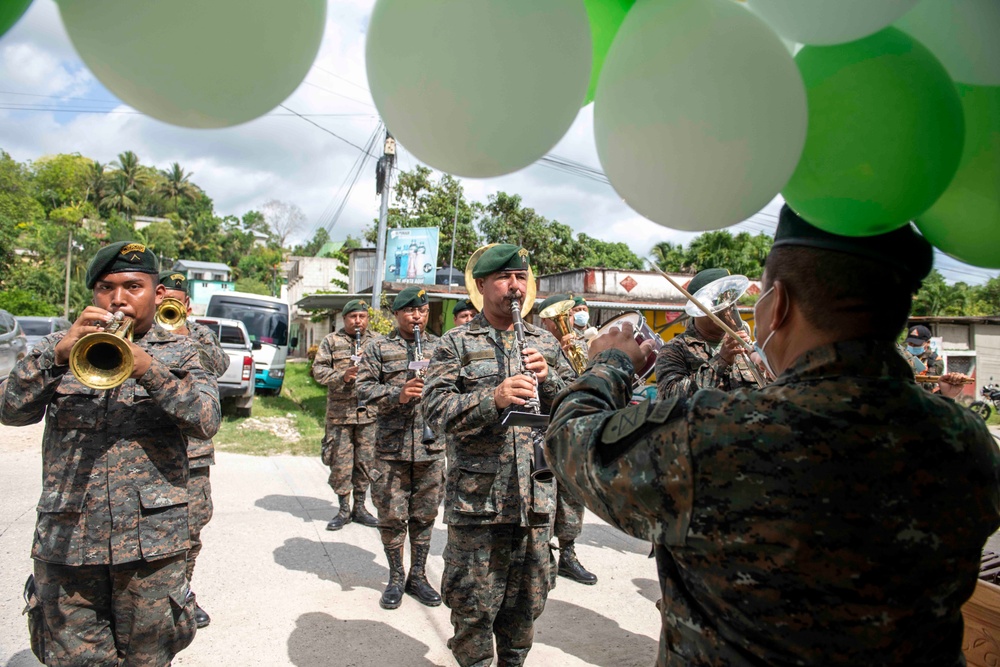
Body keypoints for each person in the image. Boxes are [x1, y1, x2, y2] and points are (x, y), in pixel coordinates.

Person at [546, 206, 1000, 666]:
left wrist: (611, 363)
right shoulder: (966, 440)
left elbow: (570, 441)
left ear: (778, 303)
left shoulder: (714, 436)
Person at [1, 241, 221, 666]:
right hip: (68, 543)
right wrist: (56, 357)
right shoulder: (57, 347)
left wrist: (149, 369)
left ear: (158, 295)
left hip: (150, 549)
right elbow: (10, 410)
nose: (118, 299)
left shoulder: (184, 351)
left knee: (149, 659)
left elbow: (205, 419)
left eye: (132, 286)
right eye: (106, 288)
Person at [423, 244, 576, 667]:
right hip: (479, 505)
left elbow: (575, 412)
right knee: (472, 609)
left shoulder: (545, 341)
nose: (515, 286)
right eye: (505, 278)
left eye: (521, 278)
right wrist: (492, 398)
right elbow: (434, 411)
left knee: (526, 607)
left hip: (536, 502)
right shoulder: (455, 343)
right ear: (482, 285)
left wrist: (551, 381)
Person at [356, 287, 444, 610]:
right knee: (392, 515)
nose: (417, 316)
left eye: (422, 310)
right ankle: (396, 576)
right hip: (391, 449)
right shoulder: (379, 347)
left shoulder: (440, 347)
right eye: (409, 311)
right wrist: (399, 394)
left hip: (431, 447)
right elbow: (362, 391)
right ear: (397, 314)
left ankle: (418, 576)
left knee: (425, 514)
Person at [159, 270, 230, 629]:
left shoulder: (199, 332)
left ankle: (181, 592)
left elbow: (219, 366)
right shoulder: (131, 332)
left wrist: (184, 335)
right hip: (150, 447)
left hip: (193, 450)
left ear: (186, 304)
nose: (167, 304)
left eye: (175, 299)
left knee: (191, 527)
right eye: (162, 296)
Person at [535, 293, 597, 585]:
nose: (570, 320)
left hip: (571, 431)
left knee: (572, 496)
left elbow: (585, 386)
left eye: (571, 314)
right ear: (545, 320)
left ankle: (568, 555)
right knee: (542, 496)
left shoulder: (582, 345)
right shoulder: (534, 343)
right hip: (541, 430)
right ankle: (542, 555)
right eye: (562, 316)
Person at [311, 299, 381, 531]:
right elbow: (318, 371)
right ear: (345, 319)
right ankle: (343, 509)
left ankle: (360, 507)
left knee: (366, 462)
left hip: (369, 414)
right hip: (340, 415)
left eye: (362, 316)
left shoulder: (378, 341)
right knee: (340, 463)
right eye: (353, 317)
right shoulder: (331, 341)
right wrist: (343, 375)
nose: (358, 321)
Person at [655, 268, 759, 399]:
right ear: (699, 307)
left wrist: (767, 367)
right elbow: (671, 397)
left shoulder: (745, 345)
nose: (729, 308)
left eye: (731, 300)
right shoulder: (674, 350)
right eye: (718, 302)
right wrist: (721, 361)